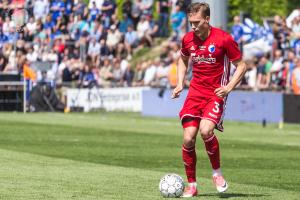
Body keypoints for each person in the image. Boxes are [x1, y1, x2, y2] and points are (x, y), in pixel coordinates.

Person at [171, 2, 246, 197]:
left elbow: (242, 66)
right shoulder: (187, 39)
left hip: (215, 94)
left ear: (206, 19)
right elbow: (183, 59)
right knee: (188, 138)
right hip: (194, 94)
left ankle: (216, 173)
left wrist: (228, 87)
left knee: (206, 130)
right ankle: (192, 185)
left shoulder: (223, 39)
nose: (193, 26)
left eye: (196, 22)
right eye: (190, 23)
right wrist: (180, 82)